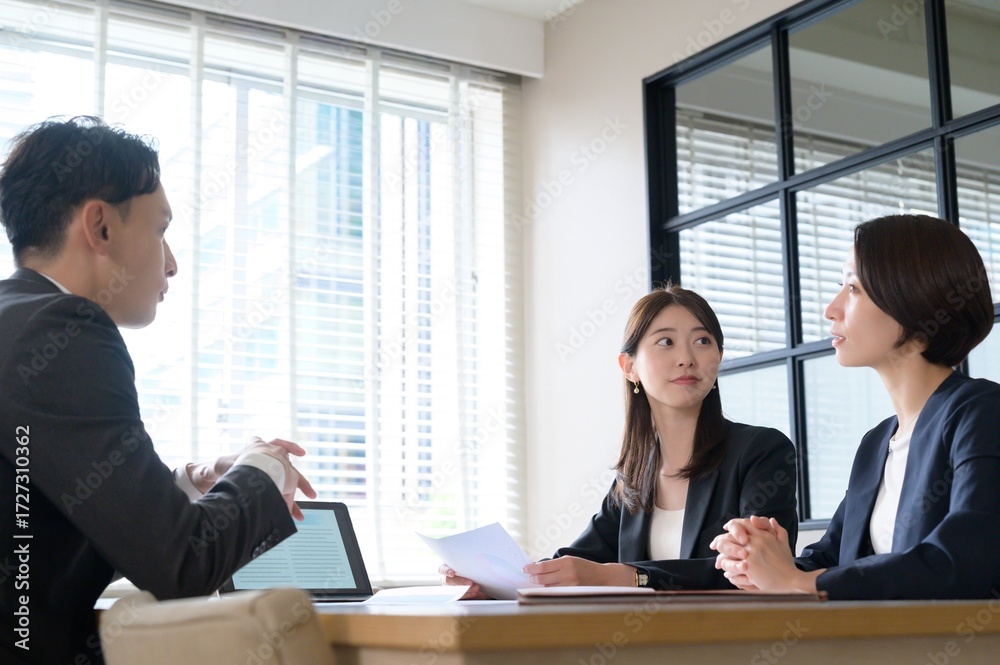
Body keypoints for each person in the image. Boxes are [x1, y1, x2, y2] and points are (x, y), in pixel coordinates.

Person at [0, 116, 316, 665]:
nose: (171, 264)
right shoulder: (63, 328)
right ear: (100, 227)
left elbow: (38, 521)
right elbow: (181, 565)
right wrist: (265, 468)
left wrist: (187, 483)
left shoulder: (16, 320)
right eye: (160, 230)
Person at [711, 214, 1000, 600]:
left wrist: (799, 582)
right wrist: (763, 561)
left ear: (913, 300)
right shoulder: (877, 442)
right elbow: (834, 559)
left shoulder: (981, 412)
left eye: (853, 288)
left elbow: (961, 561)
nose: (831, 309)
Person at [441, 285, 798, 596]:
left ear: (718, 358)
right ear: (629, 367)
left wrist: (629, 576)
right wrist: (491, 583)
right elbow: (576, 565)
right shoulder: (634, 477)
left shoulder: (762, 451)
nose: (687, 358)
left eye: (702, 341)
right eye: (666, 342)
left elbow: (755, 570)